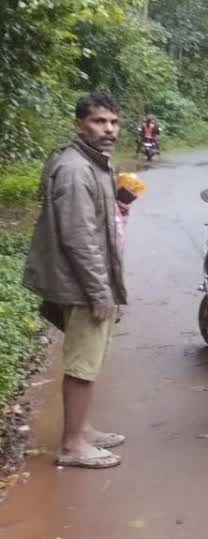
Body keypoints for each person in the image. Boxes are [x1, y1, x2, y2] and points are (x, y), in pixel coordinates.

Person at [24, 93, 128, 469]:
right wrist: (100, 291)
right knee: (82, 363)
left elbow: (94, 223)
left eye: (114, 122)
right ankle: (72, 445)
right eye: (100, 122)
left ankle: (82, 430)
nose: (109, 130)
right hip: (82, 285)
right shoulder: (75, 169)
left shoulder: (93, 164)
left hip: (87, 281)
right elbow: (78, 238)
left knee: (91, 358)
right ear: (79, 124)